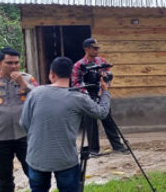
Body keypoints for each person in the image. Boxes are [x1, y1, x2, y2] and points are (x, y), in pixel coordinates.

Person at [20, 56, 111, 192]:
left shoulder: (35, 93)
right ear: (70, 75)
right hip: (66, 159)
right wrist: (105, 92)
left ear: (52, 73)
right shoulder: (79, 98)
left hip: (37, 157)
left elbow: (24, 123)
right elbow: (102, 113)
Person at [0, 47, 38, 192]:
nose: (14, 66)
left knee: (36, 175)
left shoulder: (28, 79)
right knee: (4, 180)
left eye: (17, 62)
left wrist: (23, 85)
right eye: (9, 63)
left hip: (25, 136)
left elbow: (41, 98)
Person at [71, 38, 127, 156]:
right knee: (90, 124)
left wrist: (104, 87)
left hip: (101, 94)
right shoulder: (79, 65)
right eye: (94, 48)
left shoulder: (102, 61)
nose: (97, 50)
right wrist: (86, 94)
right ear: (87, 49)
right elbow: (76, 83)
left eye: (98, 48)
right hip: (87, 96)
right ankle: (93, 150)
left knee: (109, 121)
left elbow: (108, 77)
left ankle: (117, 146)